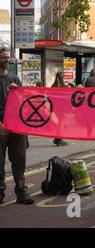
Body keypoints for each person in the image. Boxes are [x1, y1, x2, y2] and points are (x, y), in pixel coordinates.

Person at [0, 47, 34, 205]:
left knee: (19, 160)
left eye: (7, 57)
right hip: (0, 126)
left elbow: (24, 104)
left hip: (16, 125)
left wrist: (18, 92)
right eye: (3, 57)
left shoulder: (15, 79)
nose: (6, 60)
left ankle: (22, 192)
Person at [51, 72, 68, 147]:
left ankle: (57, 138)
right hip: (62, 108)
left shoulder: (53, 86)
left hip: (55, 107)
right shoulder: (64, 87)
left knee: (57, 123)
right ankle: (59, 139)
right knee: (60, 123)